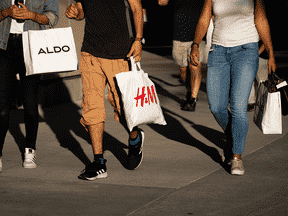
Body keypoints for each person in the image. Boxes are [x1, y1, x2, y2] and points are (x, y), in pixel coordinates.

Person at [191, 0, 276, 175]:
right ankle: (233, 137)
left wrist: (271, 52)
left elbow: (261, 20)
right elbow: (203, 19)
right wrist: (195, 44)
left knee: (238, 106)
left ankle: (236, 156)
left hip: (246, 51)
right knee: (216, 106)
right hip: (218, 51)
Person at [65, 0, 145, 181]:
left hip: (120, 53)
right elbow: (82, 11)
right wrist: (75, 12)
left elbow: (136, 7)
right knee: (91, 107)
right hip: (91, 52)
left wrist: (138, 40)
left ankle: (135, 136)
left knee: (120, 106)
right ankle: (99, 162)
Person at [0, 0, 59, 172]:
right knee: (2, 104)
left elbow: (53, 16)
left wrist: (31, 15)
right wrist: (6, 13)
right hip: (4, 47)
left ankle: (29, 150)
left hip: (32, 46)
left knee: (30, 102)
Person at [158, 0, 205, 111]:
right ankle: (189, 91)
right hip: (179, 34)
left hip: (197, 34)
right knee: (183, 68)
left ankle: (193, 98)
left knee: (195, 65)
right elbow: (161, 2)